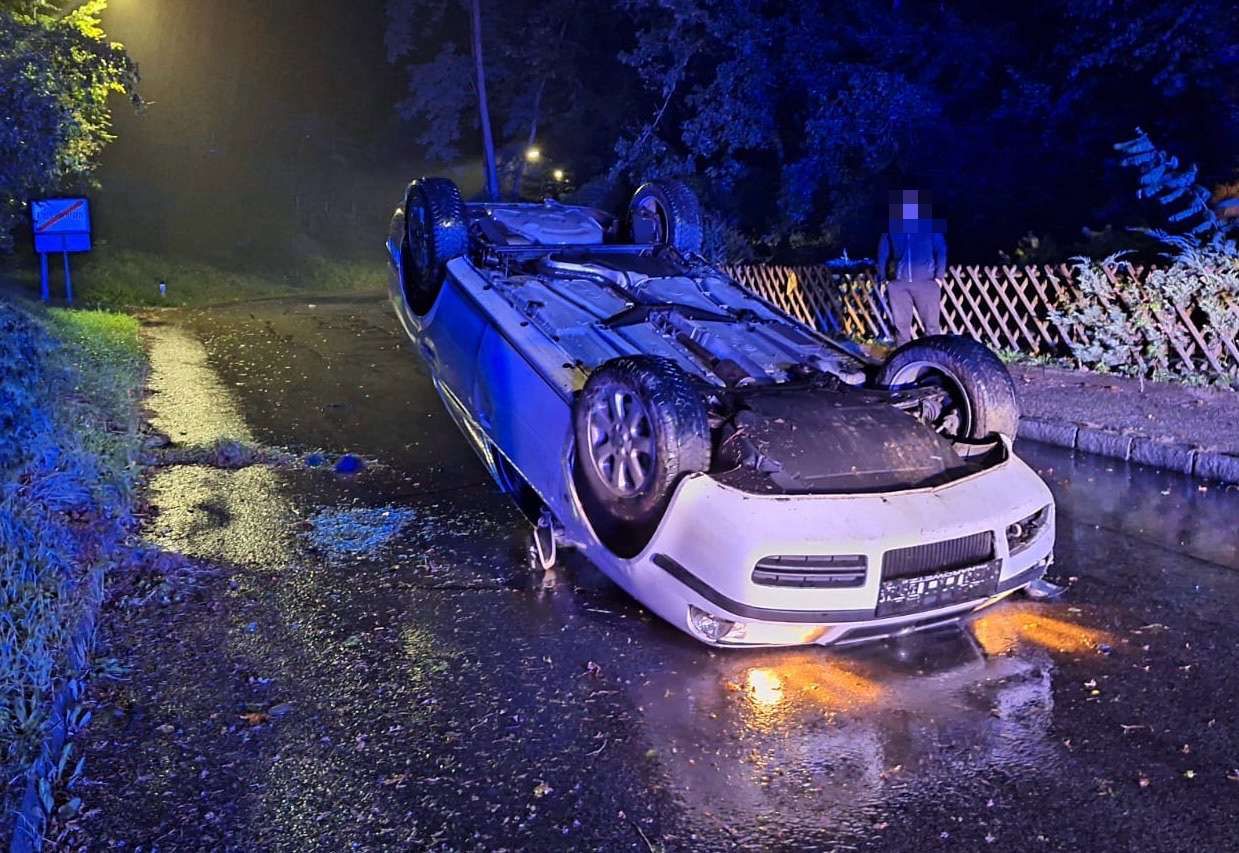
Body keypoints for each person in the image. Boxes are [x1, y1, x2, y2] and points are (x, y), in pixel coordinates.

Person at [876, 189, 947, 347]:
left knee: (932, 326)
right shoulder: (892, 228)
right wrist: (884, 279)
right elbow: (882, 254)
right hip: (899, 284)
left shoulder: (930, 226)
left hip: (926, 283)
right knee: (901, 327)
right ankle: (904, 361)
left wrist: (938, 278)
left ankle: (934, 359)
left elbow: (941, 250)